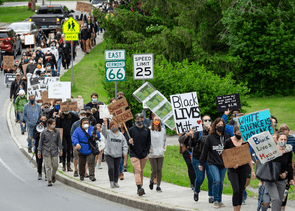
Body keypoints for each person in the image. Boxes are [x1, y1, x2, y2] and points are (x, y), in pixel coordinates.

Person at [199, 117, 230, 209]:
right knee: (216, 180)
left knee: (220, 182)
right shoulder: (210, 137)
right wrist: (201, 163)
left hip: (224, 163)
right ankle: (215, 200)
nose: (221, 126)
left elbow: (231, 150)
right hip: (212, 163)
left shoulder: (226, 137)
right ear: (215, 126)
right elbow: (204, 151)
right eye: (219, 125)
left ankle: (220, 200)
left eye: (222, 125)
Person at [224, 125, 256, 211]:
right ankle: (235, 209)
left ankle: (238, 209)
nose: (240, 135)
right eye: (238, 133)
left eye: (241, 133)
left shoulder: (245, 142)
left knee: (241, 190)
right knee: (236, 190)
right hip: (232, 169)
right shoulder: (228, 142)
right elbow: (225, 155)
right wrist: (231, 164)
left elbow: (248, 157)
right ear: (234, 133)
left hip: (243, 169)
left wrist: (252, 170)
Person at [264, 132, 294, 211]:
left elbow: (289, 165)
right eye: (281, 139)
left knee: (279, 201)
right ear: (277, 140)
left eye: (285, 139)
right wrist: (277, 154)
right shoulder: (271, 151)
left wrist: (289, 177)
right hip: (270, 179)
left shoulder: (288, 151)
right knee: (276, 199)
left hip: (282, 180)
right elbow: (267, 164)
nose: (283, 141)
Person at [191, 115, 214, 203]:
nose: (207, 121)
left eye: (209, 120)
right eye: (205, 120)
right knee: (200, 178)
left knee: (211, 177)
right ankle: (196, 191)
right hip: (198, 158)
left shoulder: (213, 131)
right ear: (202, 121)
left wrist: (211, 132)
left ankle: (211, 195)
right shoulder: (198, 130)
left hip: (209, 158)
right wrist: (192, 136)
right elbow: (192, 144)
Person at [129, 113, 151, 196]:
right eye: (138, 119)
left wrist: (147, 152)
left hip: (144, 154)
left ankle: (140, 187)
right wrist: (129, 142)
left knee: (141, 171)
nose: (140, 121)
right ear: (135, 120)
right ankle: (138, 187)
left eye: (141, 119)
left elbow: (149, 141)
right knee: (137, 170)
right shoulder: (131, 130)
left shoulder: (147, 130)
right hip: (134, 153)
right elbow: (127, 141)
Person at [102, 118, 128, 188]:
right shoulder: (108, 133)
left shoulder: (121, 135)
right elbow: (103, 131)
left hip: (118, 155)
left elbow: (125, 145)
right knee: (111, 167)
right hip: (109, 154)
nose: (114, 126)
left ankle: (116, 182)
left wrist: (125, 152)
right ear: (110, 126)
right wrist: (104, 122)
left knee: (116, 168)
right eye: (112, 125)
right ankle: (111, 181)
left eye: (115, 125)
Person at [38, 118, 62, 186]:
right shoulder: (44, 132)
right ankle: (49, 180)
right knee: (48, 166)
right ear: (49, 124)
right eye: (53, 124)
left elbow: (59, 141)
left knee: (55, 165)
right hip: (46, 151)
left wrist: (60, 149)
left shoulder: (57, 131)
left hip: (54, 151)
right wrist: (39, 152)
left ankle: (53, 175)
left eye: (54, 124)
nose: (54, 125)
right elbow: (40, 142)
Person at [148, 115, 166, 192]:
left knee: (159, 169)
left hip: (160, 152)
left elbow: (164, 139)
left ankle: (158, 185)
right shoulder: (149, 130)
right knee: (154, 169)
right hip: (152, 152)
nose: (157, 121)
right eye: (155, 119)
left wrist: (163, 148)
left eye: (158, 119)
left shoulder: (162, 130)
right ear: (153, 120)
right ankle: (151, 180)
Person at [70, 110, 87, 177]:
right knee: (76, 156)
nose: (83, 115)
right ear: (79, 115)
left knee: (85, 157)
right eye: (82, 114)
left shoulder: (88, 124)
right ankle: (76, 170)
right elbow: (72, 134)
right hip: (77, 142)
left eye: (84, 114)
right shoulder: (75, 124)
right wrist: (74, 143)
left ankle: (85, 171)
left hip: (85, 143)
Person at [33, 114, 47, 180]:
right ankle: (39, 173)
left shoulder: (48, 127)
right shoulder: (36, 126)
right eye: (42, 119)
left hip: (46, 146)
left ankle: (47, 173)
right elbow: (34, 136)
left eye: (44, 119)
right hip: (38, 146)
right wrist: (38, 133)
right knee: (39, 160)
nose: (43, 121)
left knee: (46, 161)